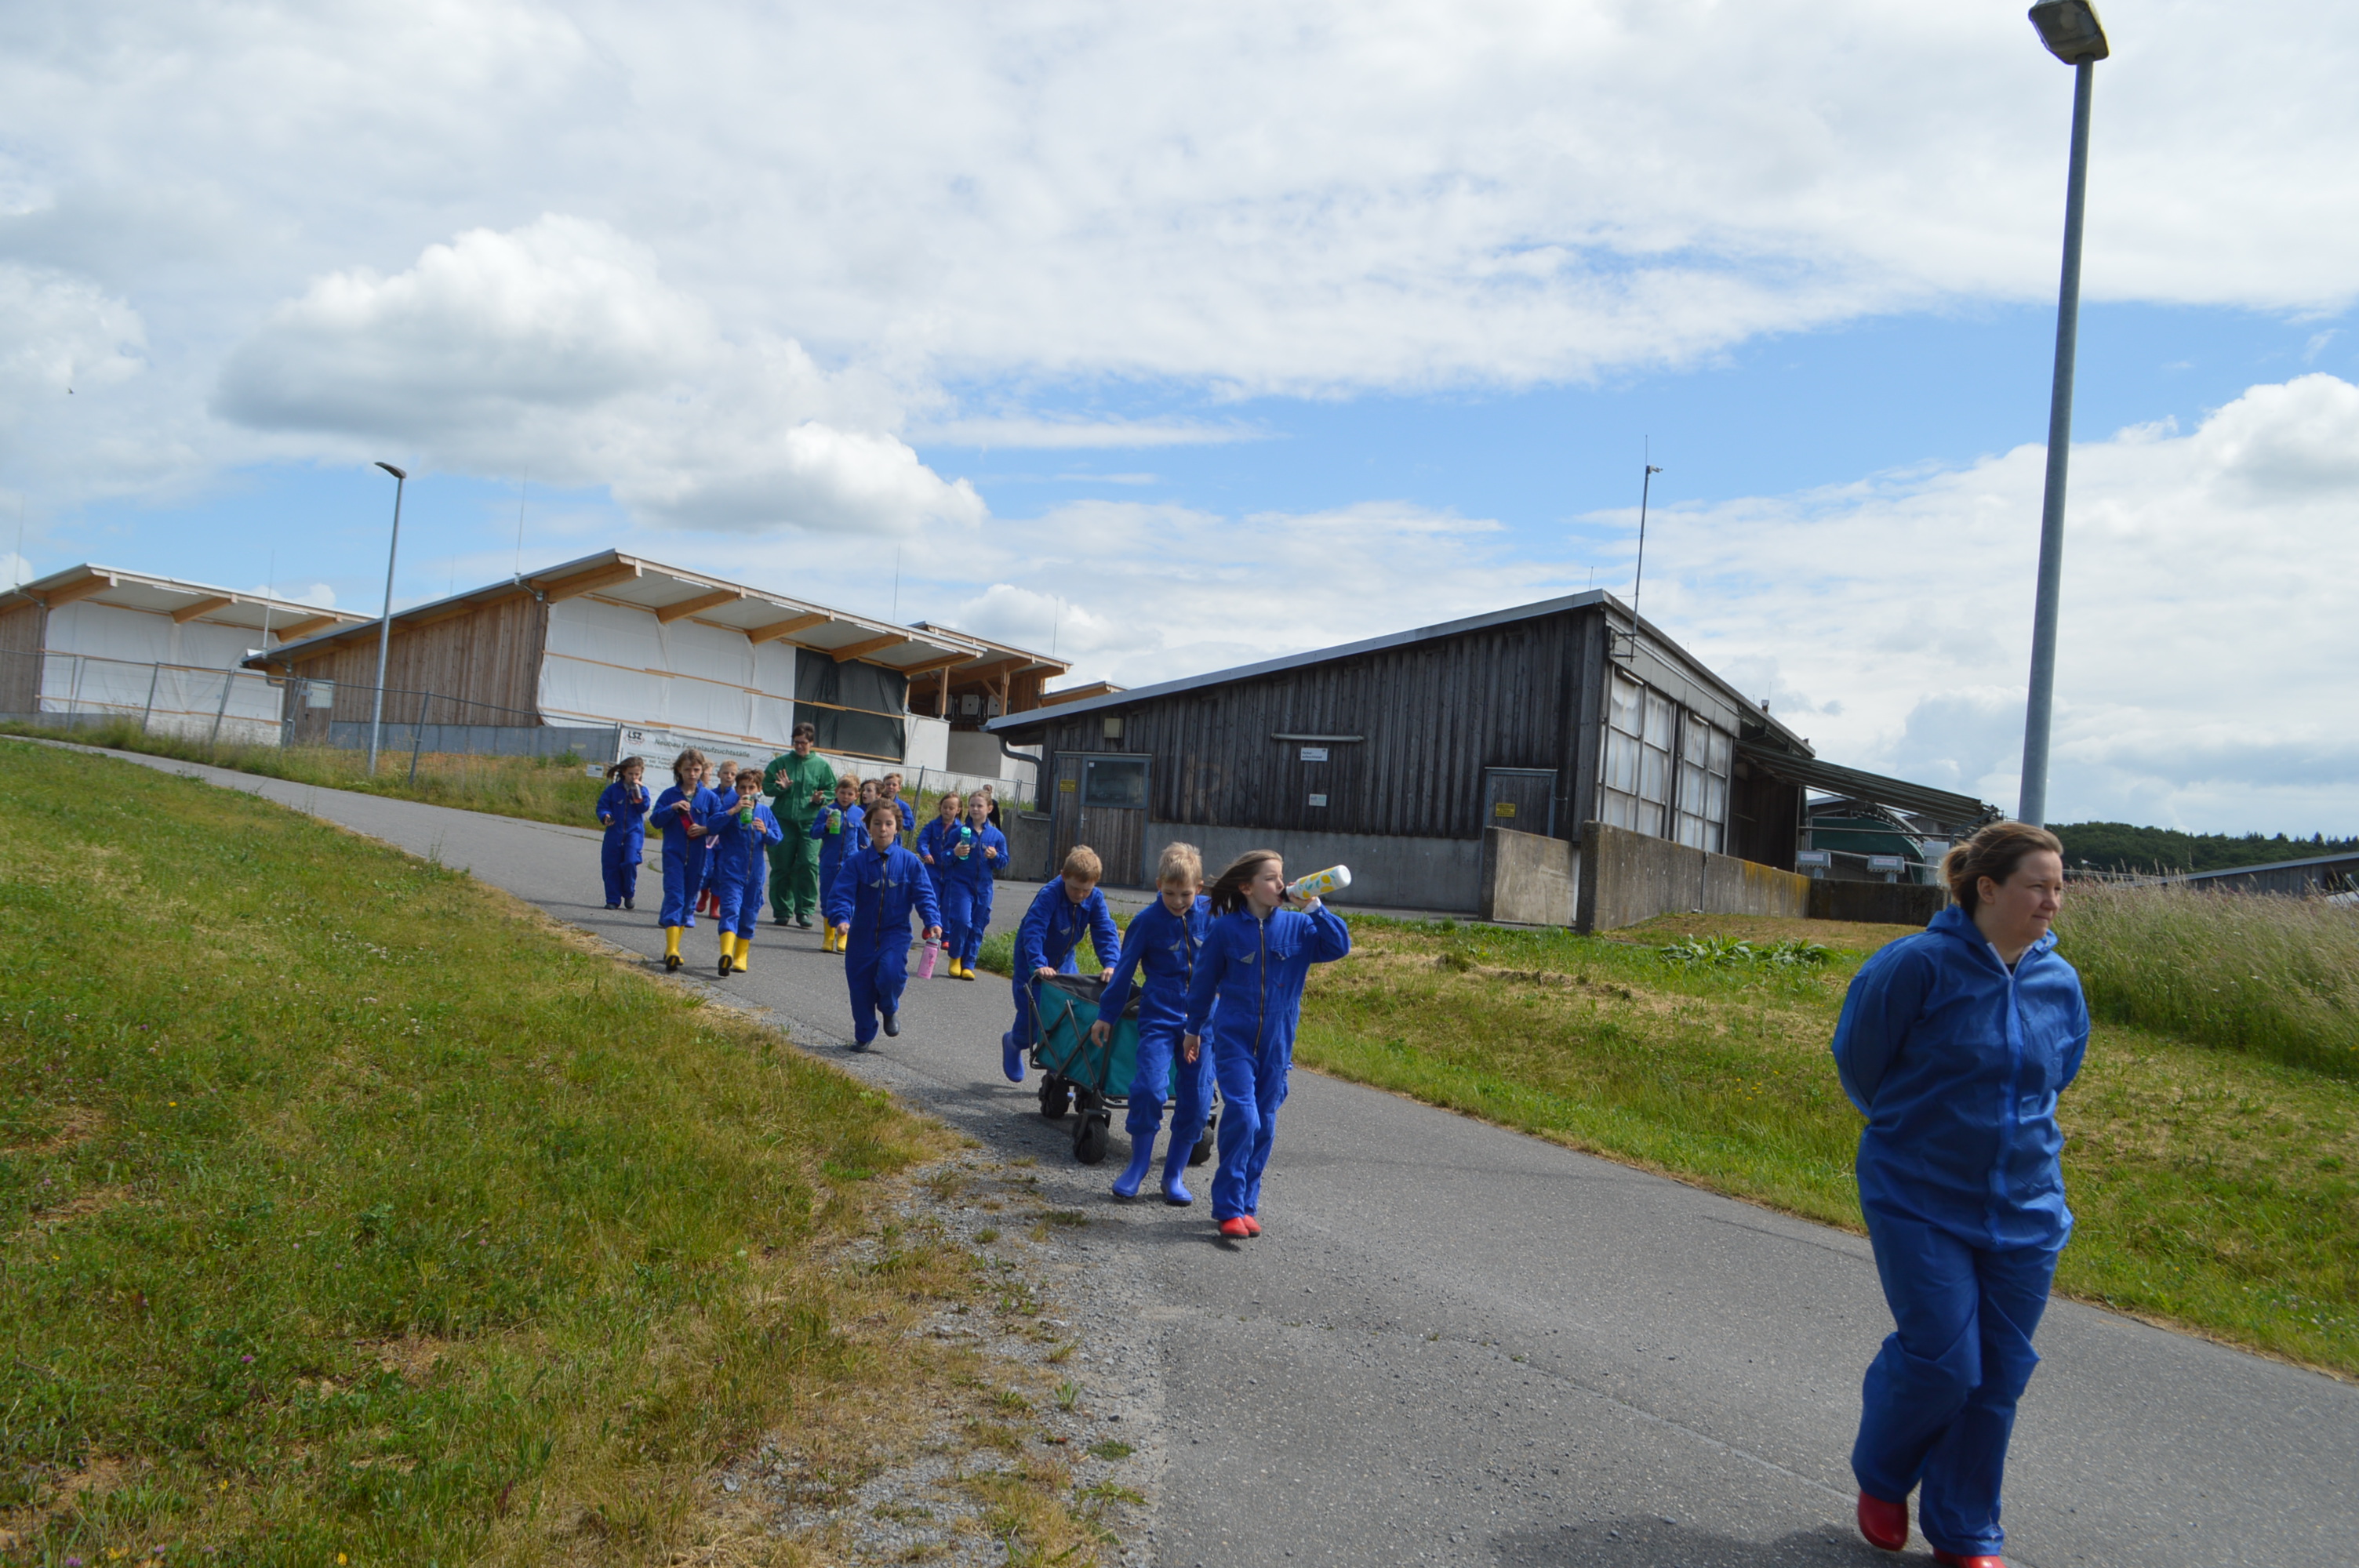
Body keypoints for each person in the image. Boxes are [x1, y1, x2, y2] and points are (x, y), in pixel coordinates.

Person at [1833, 822, 2086, 1568]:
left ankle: (1965, 1531)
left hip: (2027, 1205)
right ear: (1988, 888)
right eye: (2039, 886)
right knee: (1945, 1361)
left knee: (1999, 1375)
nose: (2052, 901)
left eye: (2059, 887)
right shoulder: (1916, 966)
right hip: (1918, 1194)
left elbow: (2056, 1072)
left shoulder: (2058, 981)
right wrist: (1924, 1132)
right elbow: (1861, 1065)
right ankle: (1882, 1476)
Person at [1181, 850, 1350, 1240]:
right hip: (1234, 1037)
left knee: (1266, 1123)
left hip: (1278, 1042)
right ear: (1247, 887)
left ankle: (1246, 1205)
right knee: (1244, 1114)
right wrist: (1193, 1028)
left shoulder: (1298, 927)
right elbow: (1203, 983)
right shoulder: (1224, 931)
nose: (1282, 884)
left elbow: (1339, 946)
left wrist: (1316, 908)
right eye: (1272, 878)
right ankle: (1226, 1207)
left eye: (1282, 877)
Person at [1092, 843, 1216, 1205]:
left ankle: (1173, 1175)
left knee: (1197, 1102)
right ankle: (1138, 1165)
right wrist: (1106, 1015)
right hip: (1160, 1017)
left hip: (1202, 1023)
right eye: (1170, 893)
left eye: (1187, 894)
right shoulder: (1146, 922)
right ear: (1159, 884)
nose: (1178, 901)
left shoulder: (1213, 916)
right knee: (1148, 1089)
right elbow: (1125, 970)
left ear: (1200, 888)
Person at [824, 798, 941, 1050]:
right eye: (877, 823)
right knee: (860, 989)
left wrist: (932, 920)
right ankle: (864, 1035)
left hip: (895, 935)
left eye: (889, 824)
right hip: (861, 937)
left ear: (897, 827)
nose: (883, 829)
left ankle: (889, 1007)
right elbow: (841, 893)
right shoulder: (856, 862)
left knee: (891, 975)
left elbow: (924, 894)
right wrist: (842, 919)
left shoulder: (910, 862)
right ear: (868, 826)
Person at [1003, 846, 1121, 1084]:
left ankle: (1059, 1069)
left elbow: (1105, 932)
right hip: (1033, 962)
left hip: (1064, 963)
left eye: (1086, 890)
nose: (1079, 895)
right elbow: (1034, 929)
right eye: (1075, 888)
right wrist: (1037, 963)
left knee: (1070, 1015)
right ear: (1063, 876)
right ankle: (1014, 1042)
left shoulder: (1094, 898)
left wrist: (1111, 964)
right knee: (1034, 1020)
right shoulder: (1050, 894)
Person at [707, 769, 783, 977]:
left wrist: (766, 832)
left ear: (759, 790)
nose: (747, 792)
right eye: (742, 788)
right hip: (732, 870)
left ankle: (740, 956)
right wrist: (732, 812)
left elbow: (778, 837)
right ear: (737, 789)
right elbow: (712, 826)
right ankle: (725, 954)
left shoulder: (765, 812)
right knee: (730, 909)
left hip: (756, 873)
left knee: (749, 913)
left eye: (752, 788)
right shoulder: (730, 806)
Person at [763, 722, 836, 928]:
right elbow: (766, 786)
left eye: (803, 743)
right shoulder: (782, 763)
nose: (799, 747)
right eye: (796, 743)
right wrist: (781, 788)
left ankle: (804, 910)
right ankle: (782, 910)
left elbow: (831, 789)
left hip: (810, 822)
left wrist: (819, 799)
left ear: (812, 743)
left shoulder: (821, 766)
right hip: (783, 820)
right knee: (781, 866)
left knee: (808, 864)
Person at [652, 749, 715, 971]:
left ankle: (675, 948)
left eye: (696, 769)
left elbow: (720, 825)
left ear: (702, 771)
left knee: (688, 900)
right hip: (673, 854)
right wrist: (672, 808)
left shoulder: (709, 797)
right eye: (687, 769)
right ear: (679, 770)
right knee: (674, 896)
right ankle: (671, 950)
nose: (692, 773)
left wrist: (705, 829)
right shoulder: (670, 795)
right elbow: (655, 821)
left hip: (699, 857)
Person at [938, 791, 1007, 980]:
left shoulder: (997, 836)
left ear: (989, 809)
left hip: (984, 887)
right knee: (961, 921)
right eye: (972, 805)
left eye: (980, 806)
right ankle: (955, 957)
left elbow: (1004, 862)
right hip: (961, 885)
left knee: (977, 925)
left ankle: (969, 964)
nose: (975, 809)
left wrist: (996, 857)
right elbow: (944, 857)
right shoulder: (958, 832)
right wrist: (955, 852)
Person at [811, 775, 867, 953]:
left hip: (850, 863)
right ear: (836, 792)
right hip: (829, 861)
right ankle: (828, 936)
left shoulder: (859, 814)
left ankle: (843, 936)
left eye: (850, 793)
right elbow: (813, 833)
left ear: (856, 795)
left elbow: (864, 840)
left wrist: (866, 858)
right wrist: (825, 827)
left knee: (849, 898)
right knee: (828, 897)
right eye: (842, 792)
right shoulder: (826, 811)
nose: (845, 796)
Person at [594, 755, 649, 910]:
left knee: (630, 862)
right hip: (615, 832)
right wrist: (605, 815)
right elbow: (602, 806)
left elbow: (643, 808)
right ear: (624, 772)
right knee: (611, 865)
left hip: (634, 832)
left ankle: (629, 893)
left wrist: (638, 793)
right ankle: (613, 899)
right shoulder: (613, 790)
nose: (633, 777)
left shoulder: (642, 790)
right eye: (631, 774)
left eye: (637, 774)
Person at [698, 760, 742, 918]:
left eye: (732, 774)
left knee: (721, 873)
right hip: (710, 837)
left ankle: (714, 907)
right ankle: (704, 895)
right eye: (725, 773)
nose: (728, 776)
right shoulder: (711, 794)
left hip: (726, 839)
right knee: (706, 868)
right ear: (719, 774)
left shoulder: (737, 797)